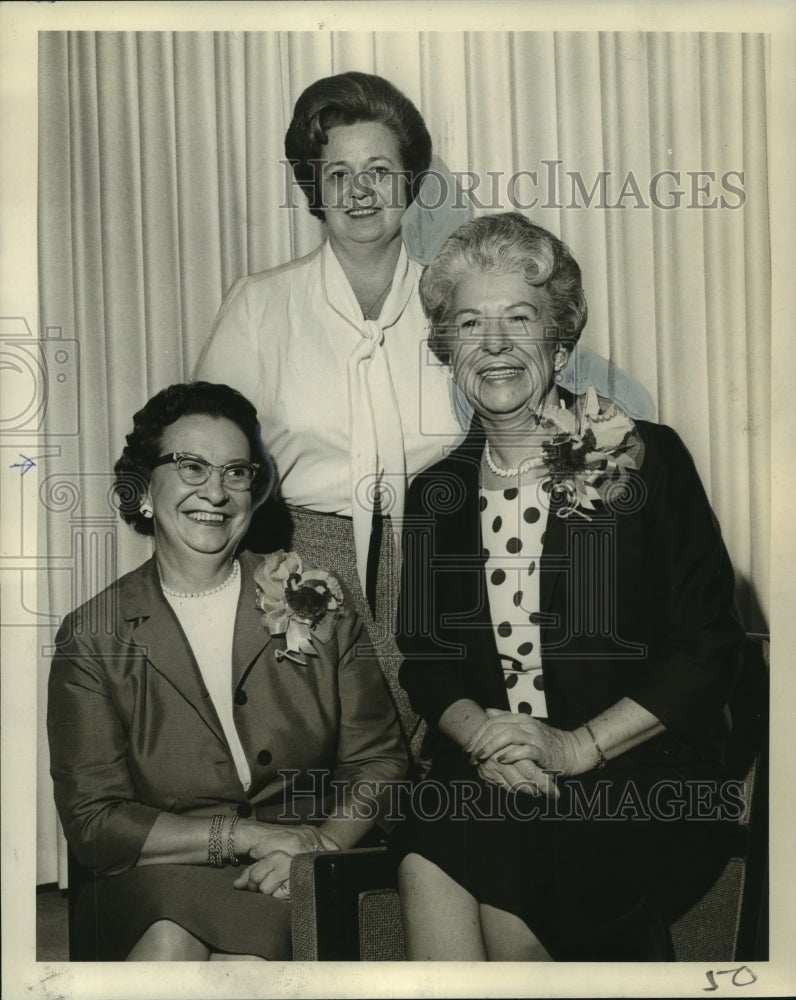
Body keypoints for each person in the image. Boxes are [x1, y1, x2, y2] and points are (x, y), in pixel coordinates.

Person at [391, 213, 745, 961]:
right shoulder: (434, 495)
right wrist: (487, 740)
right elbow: (426, 662)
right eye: (469, 323)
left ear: (559, 338)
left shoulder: (649, 460)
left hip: (633, 775)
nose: (493, 344)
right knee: (433, 843)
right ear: (444, 346)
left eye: (519, 319)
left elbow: (707, 649)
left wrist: (575, 747)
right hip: (489, 774)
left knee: (495, 855)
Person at [47, 381, 407, 961]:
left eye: (236, 472)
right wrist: (244, 836)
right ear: (143, 487)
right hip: (164, 869)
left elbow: (380, 760)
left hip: (298, 867)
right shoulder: (91, 638)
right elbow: (95, 821)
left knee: (238, 962)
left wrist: (317, 848)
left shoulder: (315, 599)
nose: (215, 491)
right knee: (168, 940)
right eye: (191, 467)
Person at [192, 73, 469, 746]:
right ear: (315, 188)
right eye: (337, 172)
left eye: (379, 170)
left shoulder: (459, 301)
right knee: (323, 766)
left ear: (412, 182)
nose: (360, 190)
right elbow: (206, 465)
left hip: (443, 558)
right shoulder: (261, 305)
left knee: (441, 761)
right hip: (300, 561)